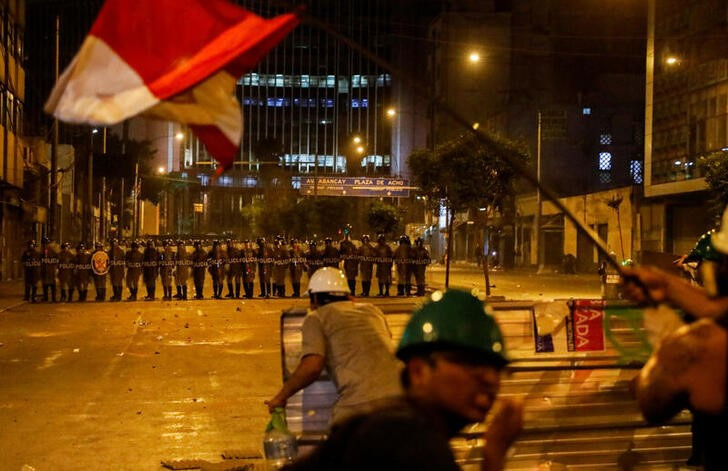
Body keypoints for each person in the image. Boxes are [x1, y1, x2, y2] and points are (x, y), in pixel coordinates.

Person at [283, 288, 523, 470]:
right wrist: (494, 453)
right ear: (419, 371)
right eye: (471, 364)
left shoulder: (392, 423)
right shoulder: (412, 442)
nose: (490, 379)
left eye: (496, 369)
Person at [622, 265, 727, 470]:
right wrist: (666, 283)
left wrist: (666, 344)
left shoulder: (710, 348)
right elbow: (715, 308)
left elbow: (652, 403)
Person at [266, 267, 402, 425]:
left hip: (360, 403)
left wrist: (281, 397)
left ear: (315, 298)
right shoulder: (373, 311)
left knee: (337, 442)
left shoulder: (316, 318)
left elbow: (312, 367)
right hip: (404, 397)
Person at [40, 237, 59, 302]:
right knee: (46, 285)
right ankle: (47, 297)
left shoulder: (51, 251)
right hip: (46, 271)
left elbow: (57, 259)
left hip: (50, 271)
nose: (45, 245)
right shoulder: (42, 252)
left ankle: (52, 298)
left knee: (51, 285)